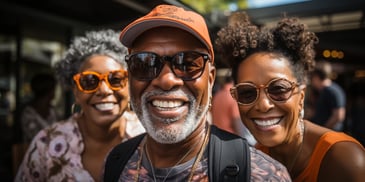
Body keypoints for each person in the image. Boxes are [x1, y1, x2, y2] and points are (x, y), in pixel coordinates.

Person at [104, 4, 291, 181]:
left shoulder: (261, 175)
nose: (167, 80)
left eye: (187, 63)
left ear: (210, 80)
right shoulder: (116, 161)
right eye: (144, 64)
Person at [215, 12, 365, 181]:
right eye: (247, 93)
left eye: (278, 89)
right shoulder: (256, 159)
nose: (263, 105)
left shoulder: (342, 159)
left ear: (301, 97)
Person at [15, 29, 145, 181]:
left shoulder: (149, 137)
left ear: (128, 86)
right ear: (75, 92)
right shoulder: (46, 143)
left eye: (116, 79)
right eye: (89, 81)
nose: (104, 90)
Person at [211, 75, 256, 145]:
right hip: (231, 140)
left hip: (216, 137)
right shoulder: (233, 96)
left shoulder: (217, 95)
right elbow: (237, 122)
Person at [21, 73, 58, 143]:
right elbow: (35, 138)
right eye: (53, 88)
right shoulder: (28, 113)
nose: (54, 91)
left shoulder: (52, 110)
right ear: (48, 91)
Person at [310, 61, 346, 131]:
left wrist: (324, 130)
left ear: (316, 77)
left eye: (312, 77)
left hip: (331, 134)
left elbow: (339, 115)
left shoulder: (332, 91)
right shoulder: (322, 92)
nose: (311, 81)